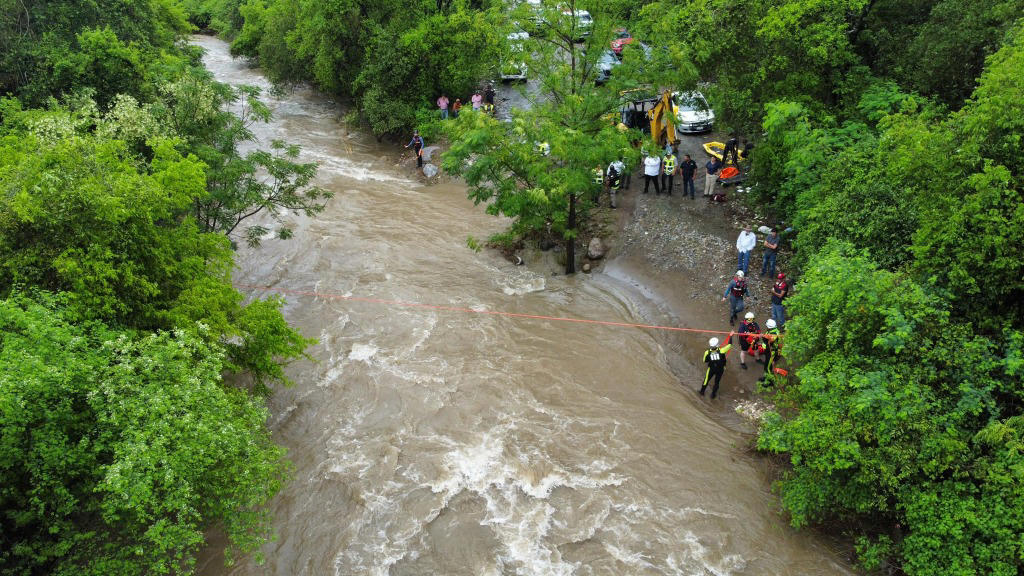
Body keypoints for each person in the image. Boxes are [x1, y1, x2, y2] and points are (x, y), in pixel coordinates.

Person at [758, 318, 781, 384]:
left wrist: (763, 337)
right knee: (766, 366)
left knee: (768, 368)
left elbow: (771, 341)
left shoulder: (773, 333)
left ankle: (769, 382)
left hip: (771, 352)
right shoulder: (773, 330)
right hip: (769, 351)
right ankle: (766, 378)